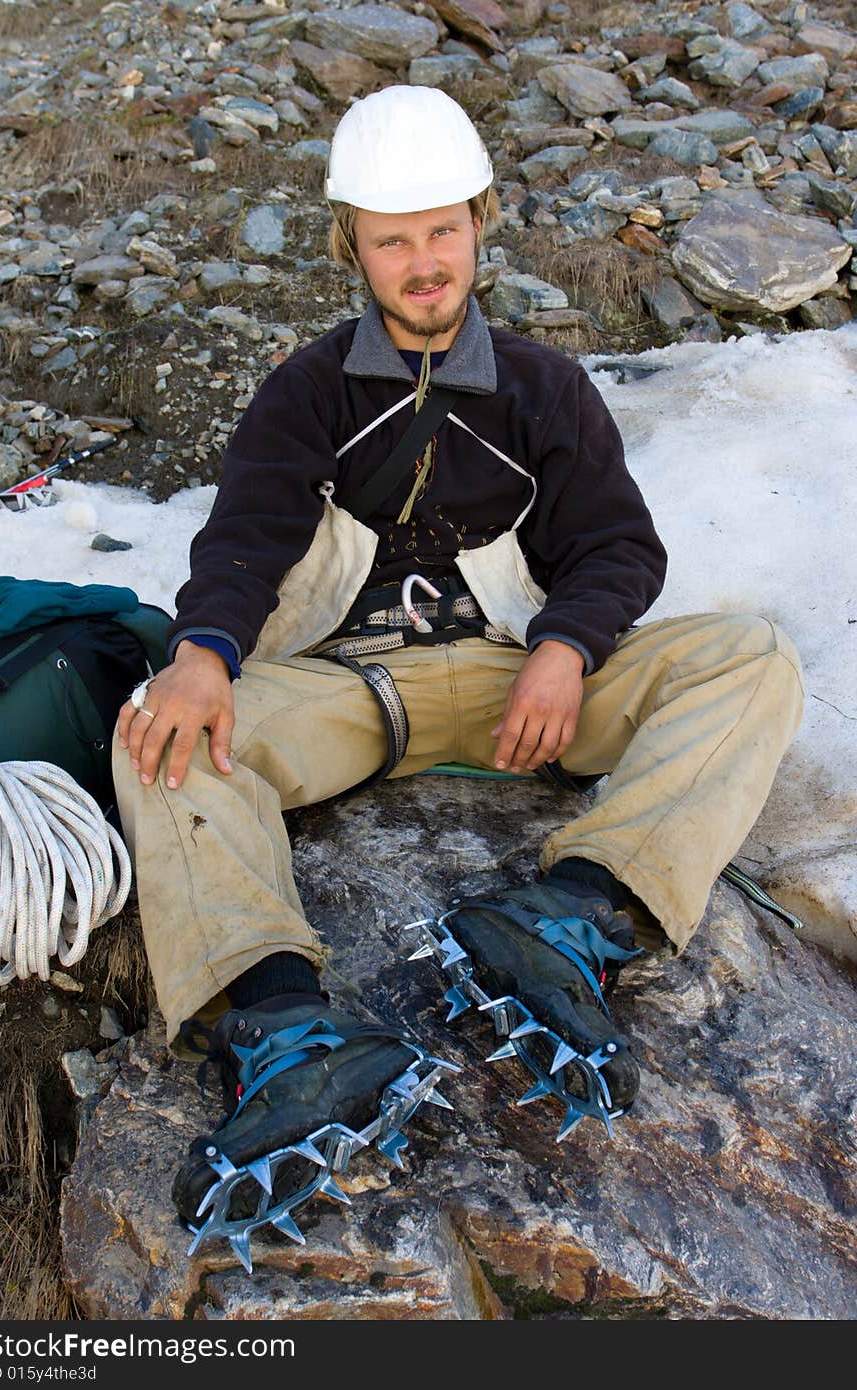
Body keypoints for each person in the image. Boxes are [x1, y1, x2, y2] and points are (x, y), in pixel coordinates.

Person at [113, 86, 803, 1269]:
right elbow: (245, 538)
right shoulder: (309, 389)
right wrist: (203, 654)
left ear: (480, 223)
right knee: (156, 729)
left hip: (509, 682)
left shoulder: (542, 387)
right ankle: (281, 1027)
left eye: (441, 229)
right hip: (346, 687)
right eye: (392, 237)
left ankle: (573, 915)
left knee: (748, 658)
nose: (423, 261)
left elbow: (617, 550)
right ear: (352, 247)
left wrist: (565, 646)